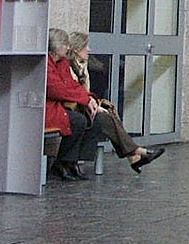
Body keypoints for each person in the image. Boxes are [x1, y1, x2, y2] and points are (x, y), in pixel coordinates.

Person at [66, 32, 165, 173]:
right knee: (103, 117)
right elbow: (71, 91)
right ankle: (136, 152)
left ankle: (134, 157)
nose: (89, 49)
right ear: (76, 49)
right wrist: (89, 102)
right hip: (74, 109)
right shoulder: (68, 67)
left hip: (83, 106)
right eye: (86, 46)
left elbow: (84, 90)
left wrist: (93, 102)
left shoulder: (82, 66)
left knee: (107, 111)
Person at [45, 28, 105, 181]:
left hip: (59, 105)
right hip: (48, 107)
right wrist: (85, 99)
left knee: (92, 119)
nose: (68, 47)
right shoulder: (46, 64)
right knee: (78, 121)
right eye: (65, 44)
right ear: (57, 46)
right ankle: (64, 162)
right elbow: (56, 90)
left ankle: (70, 161)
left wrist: (88, 97)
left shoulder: (62, 62)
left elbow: (71, 84)